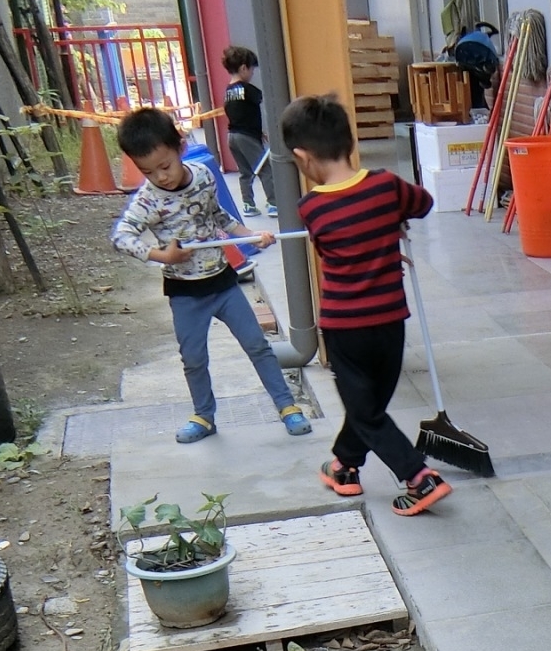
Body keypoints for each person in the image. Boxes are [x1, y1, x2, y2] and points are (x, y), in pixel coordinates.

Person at [280, 94, 452, 515]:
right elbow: (424, 204)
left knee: (366, 411)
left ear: (303, 157)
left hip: (345, 329)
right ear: (350, 142)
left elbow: (335, 249)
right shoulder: (386, 186)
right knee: (369, 406)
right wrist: (393, 222)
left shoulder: (311, 209)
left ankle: (419, 477)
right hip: (390, 322)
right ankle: (345, 466)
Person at [109, 107, 313, 444]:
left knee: (258, 346)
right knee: (194, 359)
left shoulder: (203, 175)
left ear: (181, 147)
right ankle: (204, 417)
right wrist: (164, 256)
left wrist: (252, 235)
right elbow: (121, 237)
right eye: (148, 171)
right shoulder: (146, 201)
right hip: (184, 293)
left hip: (222, 283)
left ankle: (287, 407)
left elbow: (219, 216)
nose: (161, 177)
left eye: (165, 166)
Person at [220, 46, 274, 217]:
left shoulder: (228, 91)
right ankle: (274, 203)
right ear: (244, 68)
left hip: (232, 136)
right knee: (265, 169)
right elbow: (258, 99)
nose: (252, 73)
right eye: (251, 69)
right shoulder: (248, 89)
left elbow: (239, 113)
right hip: (247, 137)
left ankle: (248, 205)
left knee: (245, 172)